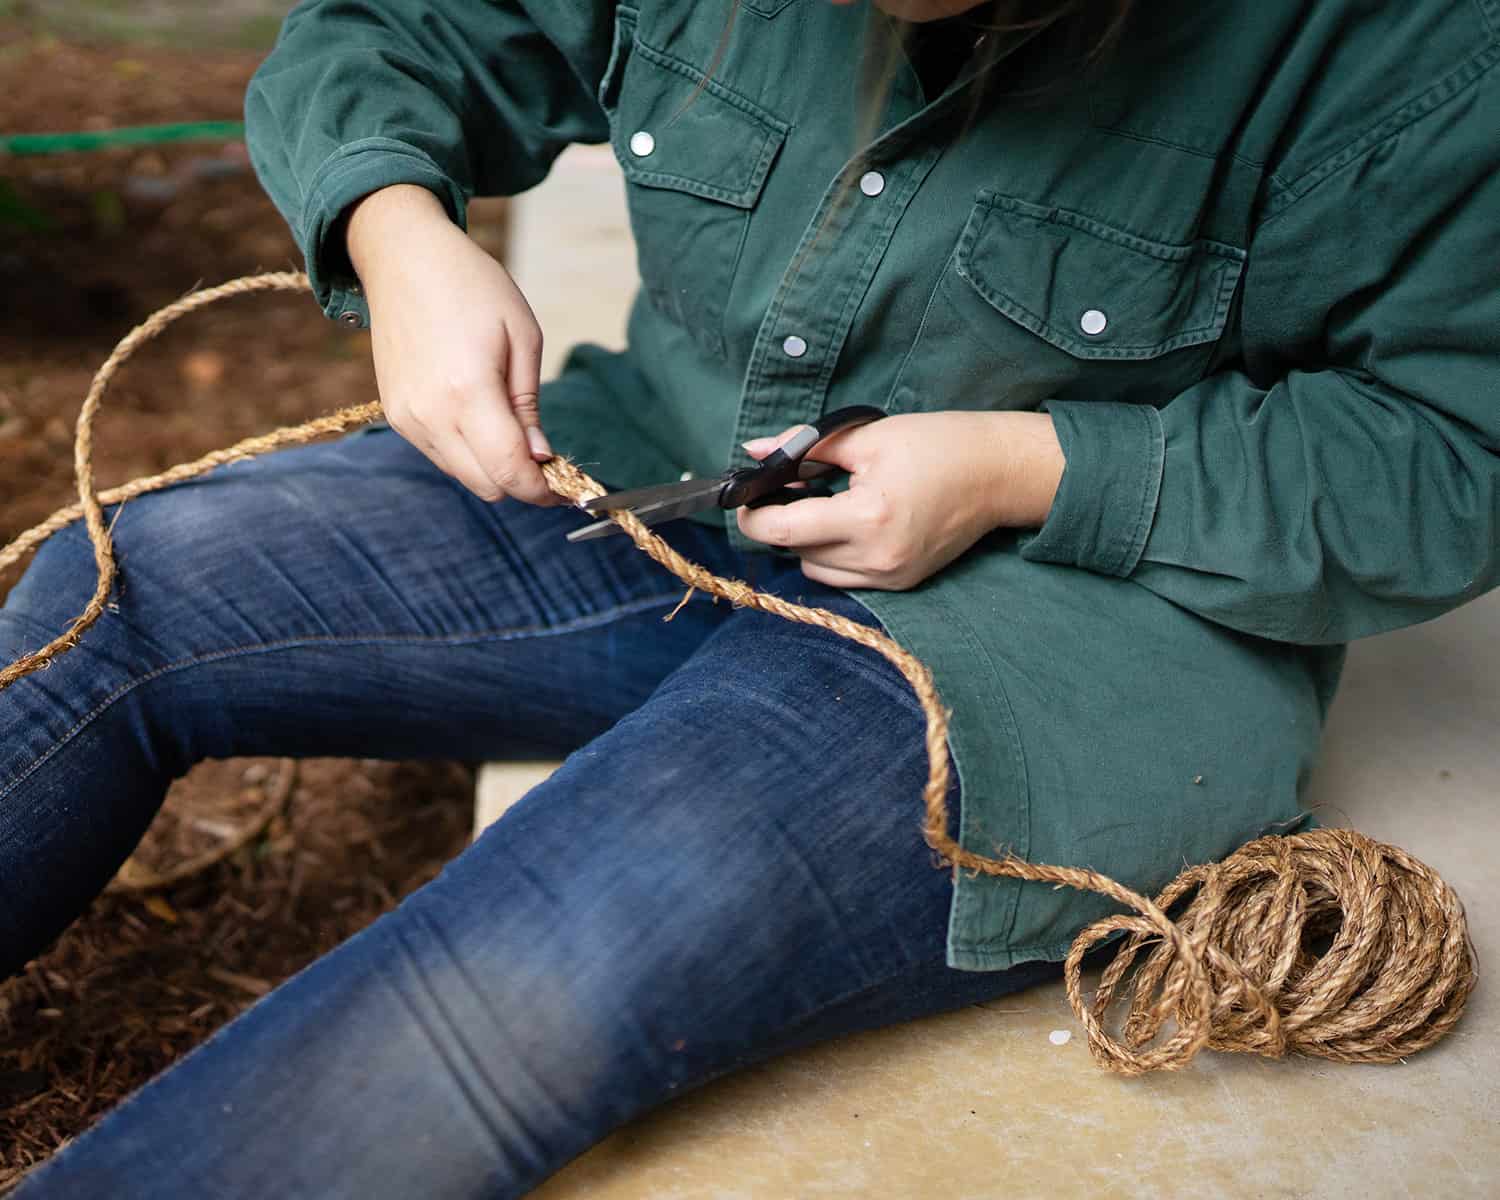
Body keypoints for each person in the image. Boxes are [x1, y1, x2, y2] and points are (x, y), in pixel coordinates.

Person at [3, 0, 1496, 1194]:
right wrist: (402, 236)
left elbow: (1452, 452)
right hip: (659, 469)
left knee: (519, 970)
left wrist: (1026, 467)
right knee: (121, 589)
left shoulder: (1407, 43)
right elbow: (397, 31)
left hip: (1049, 630)